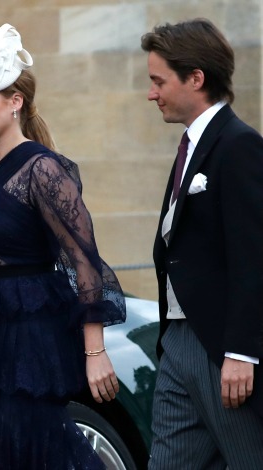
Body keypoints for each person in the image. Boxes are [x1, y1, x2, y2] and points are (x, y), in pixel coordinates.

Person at [0, 11, 126, 469]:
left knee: (34, 449)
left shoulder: (43, 170)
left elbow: (84, 262)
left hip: (32, 334)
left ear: (14, 101)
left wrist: (96, 354)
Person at [143, 18, 263, 469]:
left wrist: (240, 352)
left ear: (196, 78)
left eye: (159, 81)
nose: (151, 93)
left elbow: (253, 258)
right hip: (177, 341)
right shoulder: (191, 145)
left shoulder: (240, 146)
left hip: (221, 350)